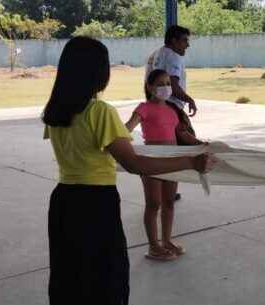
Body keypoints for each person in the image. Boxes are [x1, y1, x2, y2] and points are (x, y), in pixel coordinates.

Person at [42, 36, 216, 304]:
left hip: (64, 202)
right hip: (95, 203)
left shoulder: (55, 111)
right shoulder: (99, 112)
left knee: (70, 276)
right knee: (105, 278)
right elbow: (135, 163)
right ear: (99, 72)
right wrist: (191, 162)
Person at [125, 69, 205, 260]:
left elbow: (182, 133)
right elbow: (128, 127)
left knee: (169, 202)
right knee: (153, 204)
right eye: (160, 84)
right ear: (149, 87)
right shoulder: (144, 108)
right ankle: (154, 246)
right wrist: (115, 139)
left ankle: (167, 240)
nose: (166, 87)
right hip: (152, 162)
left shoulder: (172, 110)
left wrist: (200, 144)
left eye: (168, 83)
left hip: (172, 162)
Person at [147, 25, 198, 202]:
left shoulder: (158, 53)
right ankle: (168, 189)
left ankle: (163, 188)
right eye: (184, 40)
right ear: (174, 41)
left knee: (163, 148)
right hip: (171, 106)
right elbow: (174, 86)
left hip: (157, 105)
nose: (187, 45)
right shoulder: (174, 57)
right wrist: (189, 99)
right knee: (181, 147)